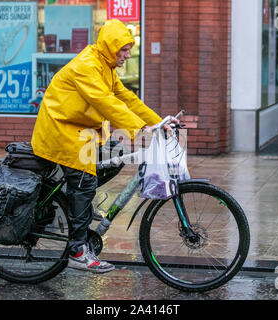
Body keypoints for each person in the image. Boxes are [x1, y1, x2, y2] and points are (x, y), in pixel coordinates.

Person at [31, 19, 177, 273]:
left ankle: (79, 205)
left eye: (129, 49)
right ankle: (77, 251)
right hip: (61, 129)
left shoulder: (105, 67)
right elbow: (106, 103)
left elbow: (126, 98)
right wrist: (140, 129)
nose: (127, 55)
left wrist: (158, 122)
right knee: (84, 181)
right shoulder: (87, 66)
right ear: (109, 47)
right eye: (123, 49)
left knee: (117, 155)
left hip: (81, 130)